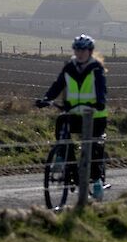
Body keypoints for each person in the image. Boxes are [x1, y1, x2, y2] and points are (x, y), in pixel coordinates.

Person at [36, 34, 109, 190]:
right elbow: (58, 84)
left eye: (83, 50)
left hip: (95, 115)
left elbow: (101, 88)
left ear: (90, 51)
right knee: (61, 122)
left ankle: (96, 181)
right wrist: (47, 98)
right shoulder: (69, 67)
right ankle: (65, 160)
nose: (80, 53)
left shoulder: (96, 68)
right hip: (75, 113)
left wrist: (100, 102)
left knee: (94, 146)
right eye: (77, 49)